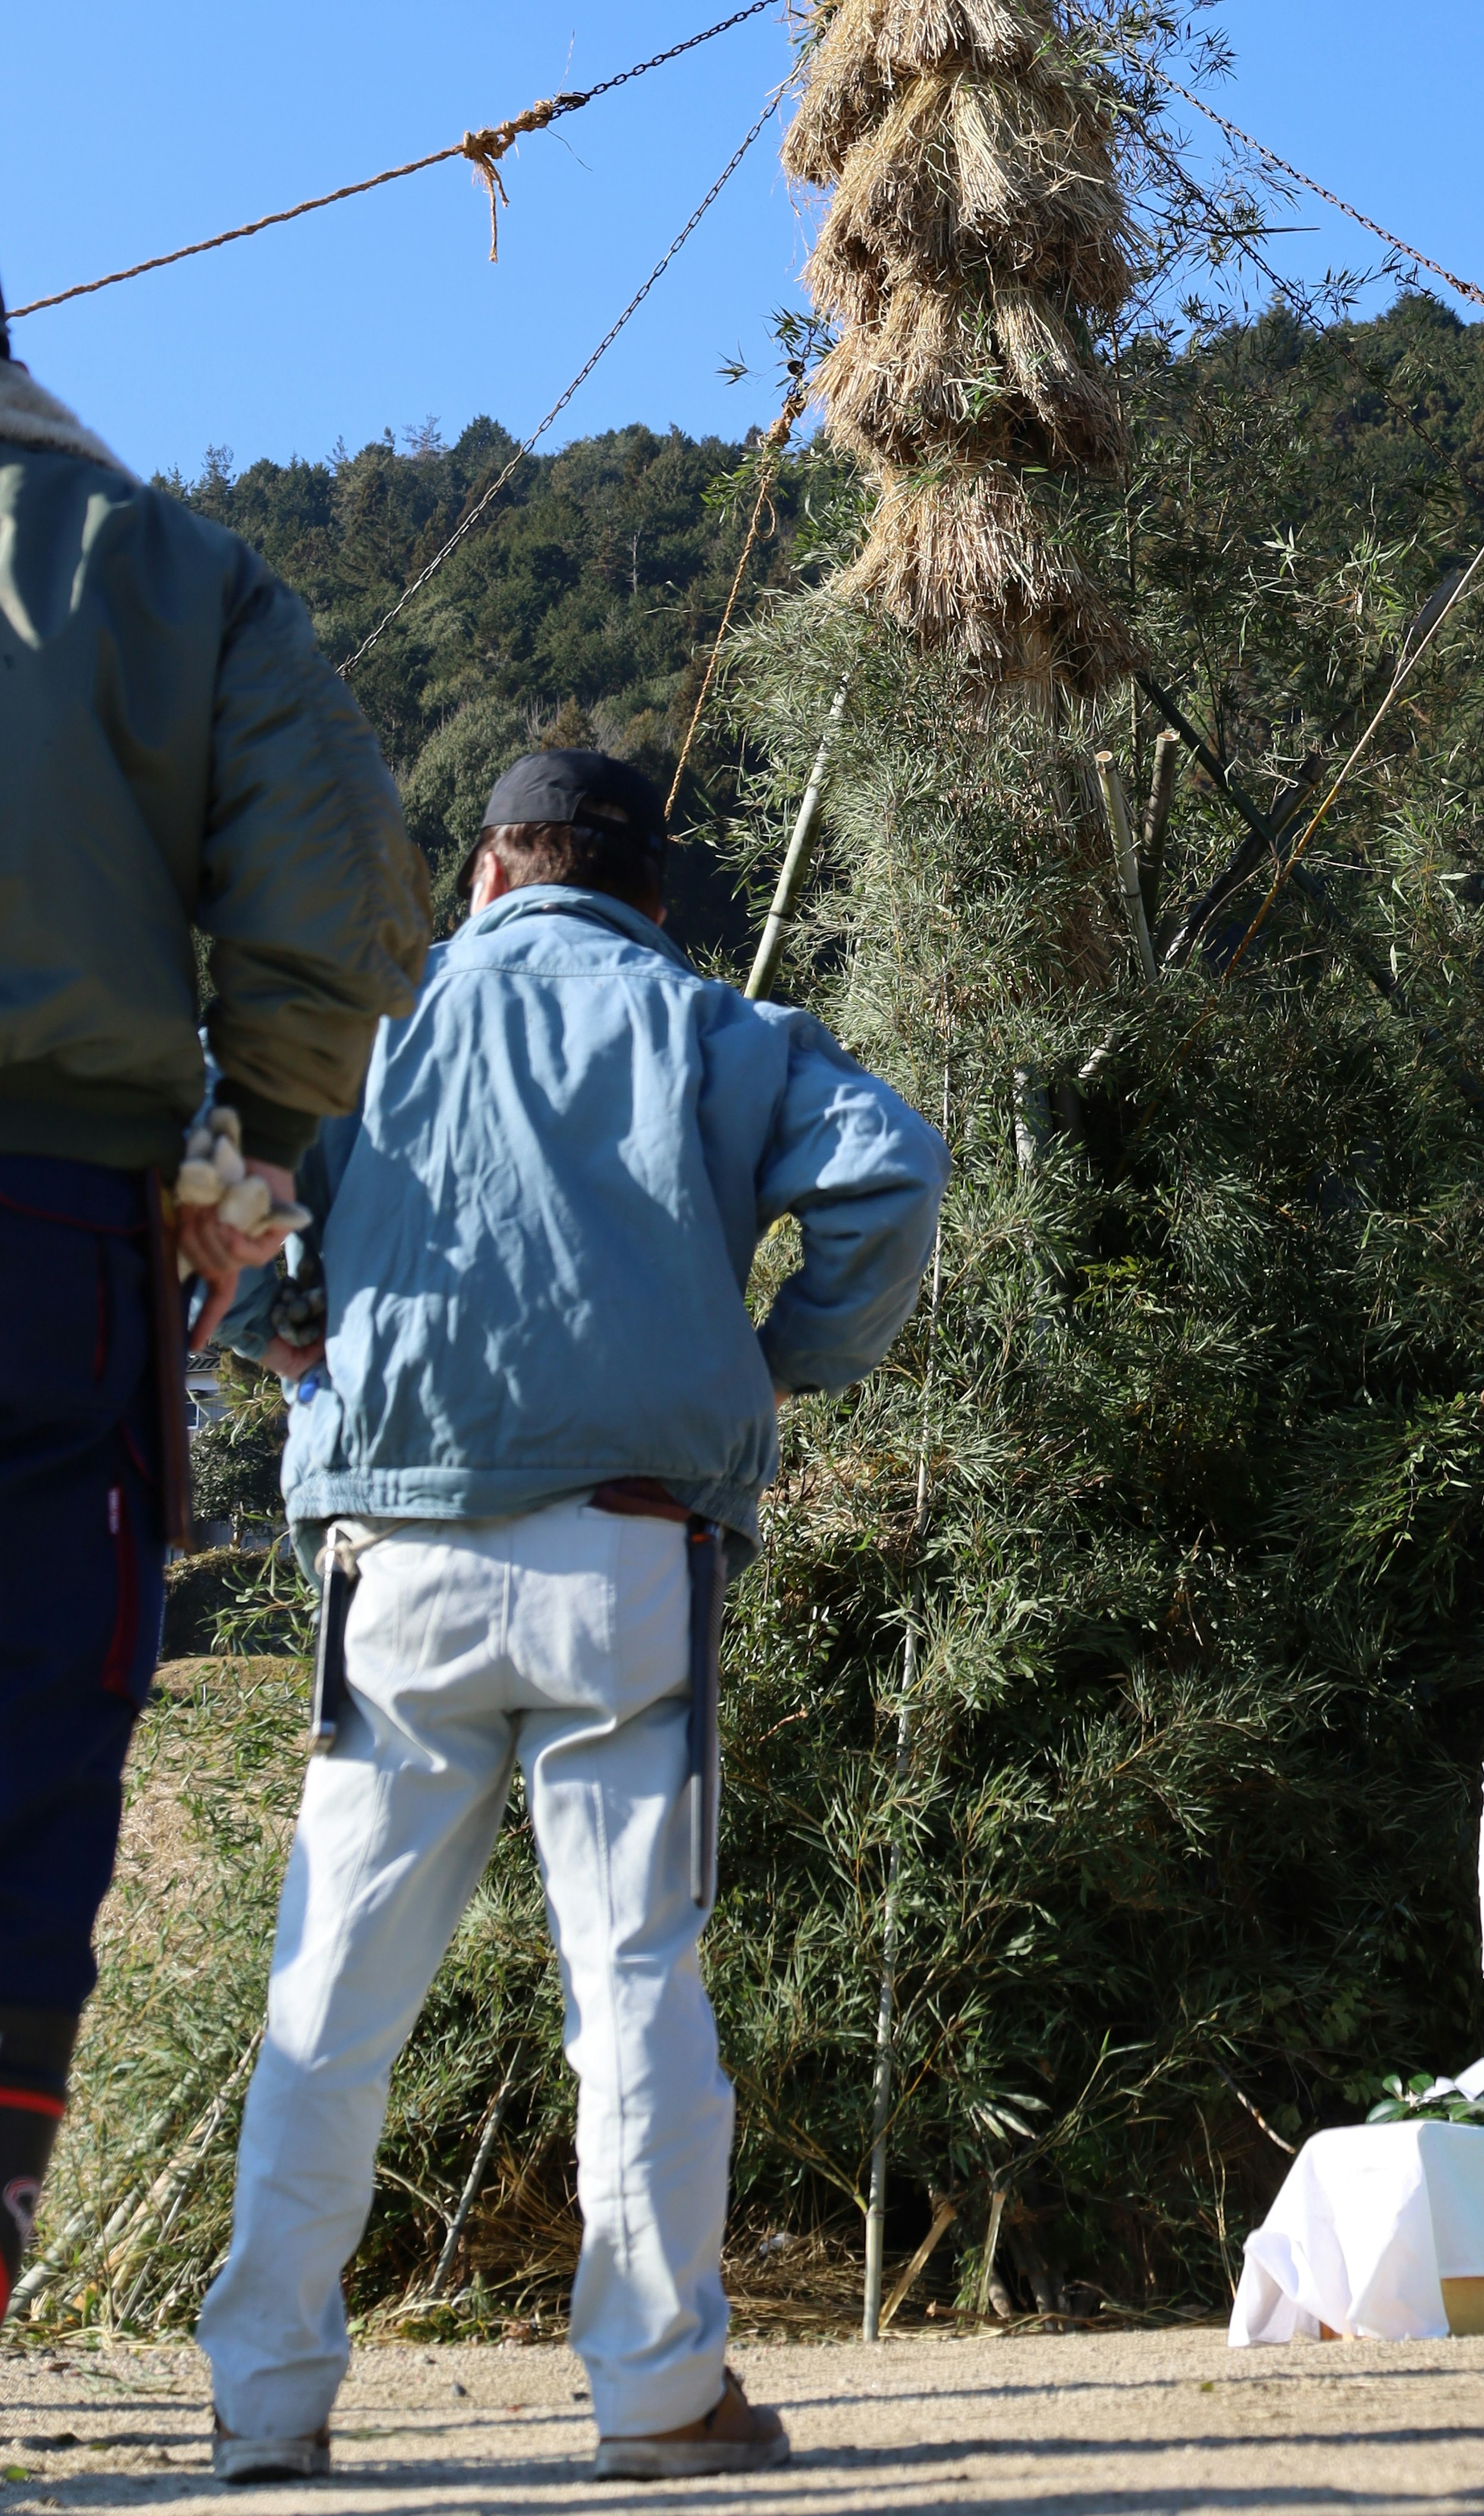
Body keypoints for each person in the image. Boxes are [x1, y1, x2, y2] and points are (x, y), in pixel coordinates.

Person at [196, 748, 949, 2486]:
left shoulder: (369, 1023)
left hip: (396, 1561)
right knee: (632, 1982)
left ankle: (266, 2401)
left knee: (333, 1988)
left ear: (483, 877)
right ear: (648, 898)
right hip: (630, 1550)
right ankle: (659, 2391)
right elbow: (887, 1175)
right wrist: (774, 1366)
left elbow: (201, 1170)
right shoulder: (705, 1021)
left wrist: (277, 1329)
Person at [0, 297, 429, 2319]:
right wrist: (242, 1160)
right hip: (55, 1226)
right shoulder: (166, 569)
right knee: (26, 1736)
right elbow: (332, 877)